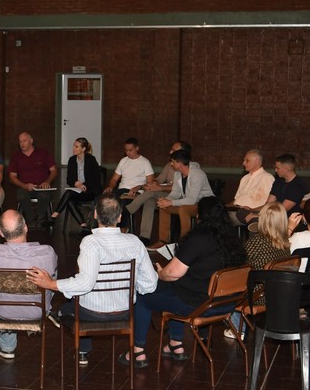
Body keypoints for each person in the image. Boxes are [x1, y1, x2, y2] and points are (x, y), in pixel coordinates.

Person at [29, 195, 157, 365]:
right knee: (77, 299)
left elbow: (85, 283)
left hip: (92, 314)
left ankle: (80, 347)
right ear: (119, 217)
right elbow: (150, 284)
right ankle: (79, 340)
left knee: (71, 304)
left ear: (95, 214)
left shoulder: (91, 242)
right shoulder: (135, 242)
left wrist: (51, 284)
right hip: (125, 311)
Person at [123, 197, 245, 368]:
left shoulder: (199, 239)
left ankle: (137, 351)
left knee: (144, 294)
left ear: (200, 216)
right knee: (175, 290)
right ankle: (175, 344)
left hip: (199, 305)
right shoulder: (234, 240)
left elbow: (172, 273)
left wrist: (160, 273)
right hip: (225, 304)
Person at [0, 210, 57, 359]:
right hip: (37, 311)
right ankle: (48, 309)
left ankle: (7, 347)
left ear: (1, 233)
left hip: (4, 312)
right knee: (52, 275)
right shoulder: (47, 253)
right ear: (25, 227)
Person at [224, 202, 291, 339]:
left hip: (257, 294)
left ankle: (239, 328)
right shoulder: (286, 245)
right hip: (277, 293)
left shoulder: (258, 241)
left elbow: (239, 263)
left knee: (227, 285)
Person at [125, 141, 191, 241]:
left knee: (152, 192)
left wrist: (159, 188)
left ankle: (127, 211)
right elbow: (159, 179)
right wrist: (153, 184)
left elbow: (180, 189)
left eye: (173, 150)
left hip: (181, 197)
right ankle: (145, 237)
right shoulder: (169, 165)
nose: (170, 151)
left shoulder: (188, 167)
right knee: (149, 201)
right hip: (167, 195)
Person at [150, 148, 214, 248]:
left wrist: (170, 202)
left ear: (180, 163)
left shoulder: (197, 174)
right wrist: (166, 200)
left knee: (183, 209)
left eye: (173, 162)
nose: (171, 164)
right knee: (164, 207)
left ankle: (184, 243)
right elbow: (175, 193)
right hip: (189, 203)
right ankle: (162, 241)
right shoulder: (177, 174)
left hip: (204, 205)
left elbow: (192, 200)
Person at [47, 137, 102, 231]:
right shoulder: (72, 160)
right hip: (78, 191)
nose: (74, 148)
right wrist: (75, 183)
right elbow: (69, 179)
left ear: (83, 149)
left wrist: (85, 185)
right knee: (69, 199)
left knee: (69, 194)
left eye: (76, 147)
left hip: (90, 191)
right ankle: (84, 225)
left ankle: (53, 216)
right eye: (74, 146)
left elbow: (96, 179)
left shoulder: (91, 160)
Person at [8, 132, 58, 230]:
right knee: (21, 195)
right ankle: (30, 219)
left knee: (44, 195)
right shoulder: (16, 156)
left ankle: (41, 219)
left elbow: (54, 170)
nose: (22, 143)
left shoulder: (43, 153)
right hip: (25, 186)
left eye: (24, 141)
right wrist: (24, 185)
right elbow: (12, 177)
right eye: (20, 141)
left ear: (31, 141)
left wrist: (47, 181)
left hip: (42, 185)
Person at [104, 137, 155, 230]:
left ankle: (122, 230)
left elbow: (150, 182)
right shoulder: (123, 161)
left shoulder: (145, 162)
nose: (128, 153)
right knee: (104, 201)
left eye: (130, 150)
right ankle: (105, 228)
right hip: (121, 190)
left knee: (122, 205)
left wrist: (138, 187)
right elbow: (114, 179)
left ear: (137, 148)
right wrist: (110, 187)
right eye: (126, 150)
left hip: (136, 192)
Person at [226, 149, 275, 225]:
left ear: (257, 161)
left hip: (251, 213)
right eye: (244, 160)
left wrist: (253, 210)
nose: (244, 163)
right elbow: (237, 199)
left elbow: (270, 203)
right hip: (236, 209)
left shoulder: (267, 178)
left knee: (222, 219)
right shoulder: (245, 178)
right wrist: (224, 206)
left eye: (247, 160)